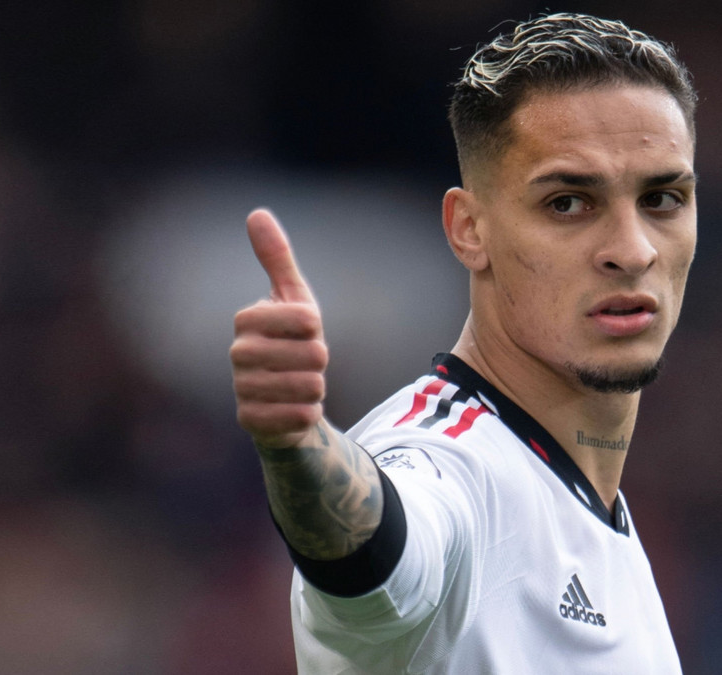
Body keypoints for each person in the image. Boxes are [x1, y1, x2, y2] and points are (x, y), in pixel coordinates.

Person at [230, 12, 697, 673]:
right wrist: (299, 446)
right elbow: (378, 547)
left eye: (663, 199)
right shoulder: (450, 463)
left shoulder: (593, 513)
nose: (632, 249)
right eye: (568, 202)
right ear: (469, 229)